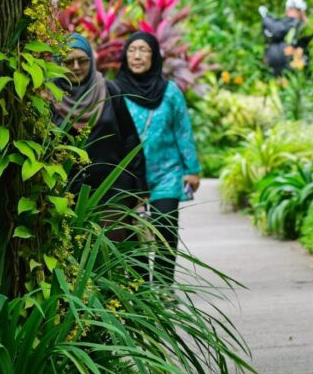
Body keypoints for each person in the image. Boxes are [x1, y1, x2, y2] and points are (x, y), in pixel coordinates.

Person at [111, 31, 201, 283]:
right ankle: (141, 288)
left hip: (166, 173)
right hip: (130, 178)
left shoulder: (170, 92)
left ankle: (163, 286)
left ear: (154, 56)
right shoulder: (114, 90)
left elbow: (183, 130)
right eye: (132, 50)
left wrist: (191, 169)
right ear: (124, 56)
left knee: (165, 228)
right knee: (134, 234)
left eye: (144, 50)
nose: (137, 56)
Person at [51, 33, 148, 213]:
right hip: (66, 194)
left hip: (112, 191)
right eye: (68, 62)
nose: (76, 67)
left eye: (82, 60)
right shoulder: (51, 96)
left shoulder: (109, 90)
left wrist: (139, 189)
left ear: (91, 60)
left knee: (112, 240)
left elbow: (130, 139)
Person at [260, 0, 312, 76]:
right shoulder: (300, 26)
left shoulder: (279, 24)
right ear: (302, 11)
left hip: (276, 66)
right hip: (292, 68)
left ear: (286, 10)